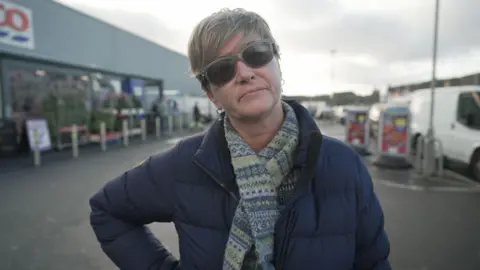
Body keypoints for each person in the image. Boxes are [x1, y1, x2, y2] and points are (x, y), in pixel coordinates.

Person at [89, 8, 391, 270]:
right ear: (211, 95)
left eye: (256, 53)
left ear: (277, 63)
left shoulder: (343, 165)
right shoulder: (183, 164)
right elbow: (107, 210)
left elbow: (373, 261)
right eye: (222, 69)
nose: (244, 73)